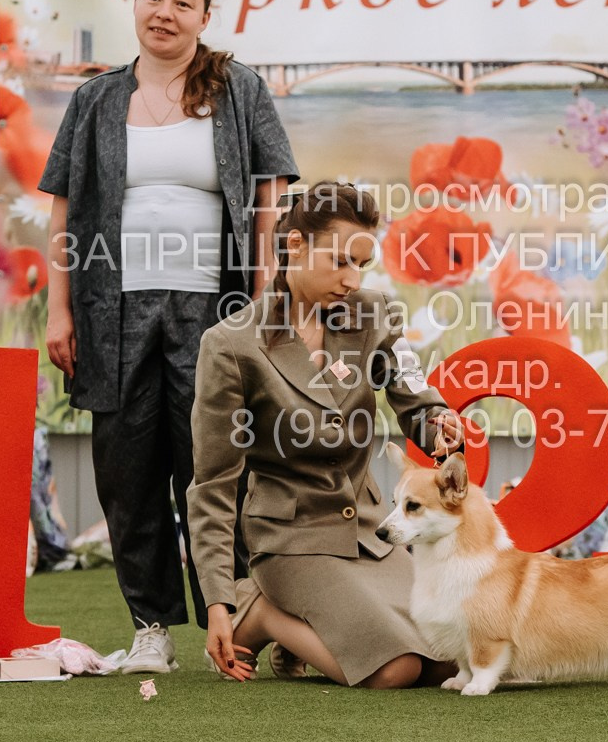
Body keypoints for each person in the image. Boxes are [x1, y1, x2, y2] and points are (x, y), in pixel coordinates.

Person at [40, 0, 300, 675]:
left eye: (183, 2)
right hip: (110, 308)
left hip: (212, 310)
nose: (165, 12)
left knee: (219, 467)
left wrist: (266, 297)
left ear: (205, 18)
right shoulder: (95, 100)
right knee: (127, 470)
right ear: (136, 4)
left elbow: (267, 198)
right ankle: (151, 628)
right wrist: (59, 309)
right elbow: (63, 206)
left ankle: (246, 619)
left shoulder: (238, 90)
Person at [188, 182, 466, 689]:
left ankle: (304, 631)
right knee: (394, 671)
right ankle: (268, 614)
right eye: (340, 261)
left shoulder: (374, 313)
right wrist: (218, 602)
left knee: (449, 659)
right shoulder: (230, 345)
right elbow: (212, 484)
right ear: (294, 245)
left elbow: (413, 397)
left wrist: (438, 424)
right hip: (290, 544)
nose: (351, 278)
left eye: (361, 264)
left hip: (367, 532)